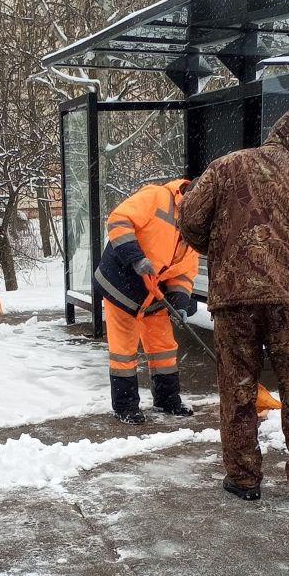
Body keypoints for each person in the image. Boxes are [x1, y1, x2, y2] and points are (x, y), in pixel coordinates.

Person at [178, 108, 289, 503]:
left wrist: (222, 251)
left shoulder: (226, 166)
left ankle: (244, 478)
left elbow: (190, 218)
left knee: (237, 389)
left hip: (234, 300)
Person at [94, 178, 199, 424]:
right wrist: (136, 258)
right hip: (121, 285)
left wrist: (180, 302)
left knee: (164, 347)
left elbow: (184, 272)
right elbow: (118, 220)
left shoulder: (195, 228)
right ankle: (125, 406)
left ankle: (167, 400)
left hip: (154, 294)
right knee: (124, 350)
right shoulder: (156, 197)